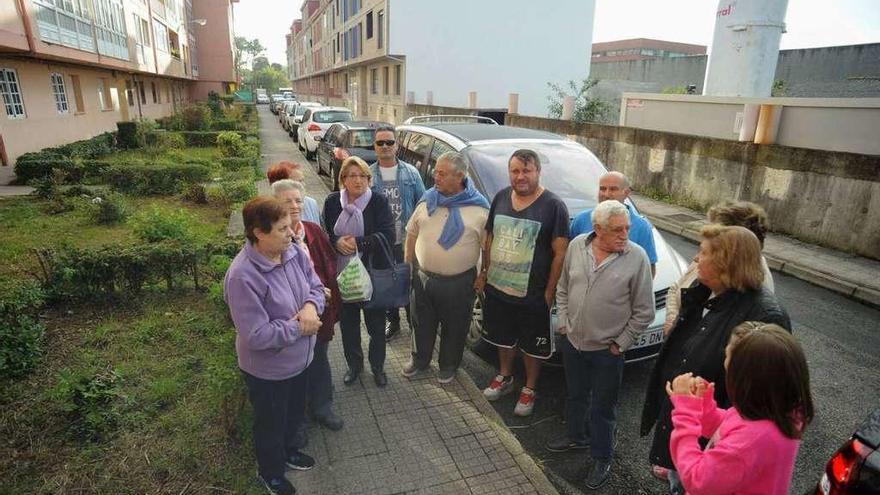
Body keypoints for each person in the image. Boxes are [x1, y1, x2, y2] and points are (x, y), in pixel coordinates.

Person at [640, 224, 791, 495]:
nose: (696, 258)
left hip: (711, 454)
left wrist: (688, 411)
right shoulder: (703, 290)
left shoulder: (765, 316)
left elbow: (754, 403)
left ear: (726, 263)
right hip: (694, 429)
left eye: (703, 252)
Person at [548, 200, 655, 490]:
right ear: (598, 229)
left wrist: (621, 343)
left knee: (603, 407)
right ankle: (575, 436)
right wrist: (564, 321)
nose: (625, 235)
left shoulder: (637, 257)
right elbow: (564, 286)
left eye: (627, 229)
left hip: (607, 351)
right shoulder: (578, 245)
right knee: (576, 395)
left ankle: (602, 456)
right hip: (573, 343)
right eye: (618, 230)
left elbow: (645, 310)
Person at [224, 197, 325, 495]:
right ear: (259, 232)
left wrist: (310, 307)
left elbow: (316, 286)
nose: (292, 233)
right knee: (270, 423)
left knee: (294, 414)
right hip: (268, 371)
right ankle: (271, 471)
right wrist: (299, 327)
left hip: (300, 360)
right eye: (282, 228)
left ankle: (290, 451)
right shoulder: (243, 276)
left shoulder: (292, 250)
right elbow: (256, 334)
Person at [475, 149, 570, 417]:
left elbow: (560, 252)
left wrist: (550, 291)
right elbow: (489, 236)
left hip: (533, 294)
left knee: (532, 345)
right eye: (515, 171)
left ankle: (529, 388)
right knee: (503, 339)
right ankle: (504, 377)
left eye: (526, 171)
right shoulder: (501, 197)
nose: (521, 176)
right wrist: (484, 273)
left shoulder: (554, 206)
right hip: (499, 288)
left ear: (538, 172)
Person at [667, 322, 813, 495]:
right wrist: (703, 404)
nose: (724, 361)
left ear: (745, 378)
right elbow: (725, 429)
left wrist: (685, 412)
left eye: (727, 358)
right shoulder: (775, 409)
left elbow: (697, 480)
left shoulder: (752, 440)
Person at [403, 151, 489, 383]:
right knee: (420, 322)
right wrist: (407, 265)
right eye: (436, 171)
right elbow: (411, 233)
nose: (435, 177)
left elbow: (487, 247)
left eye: (441, 173)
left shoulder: (480, 209)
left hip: (460, 282)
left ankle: (449, 366)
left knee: (456, 326)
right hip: (424, 277)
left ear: (459, 176)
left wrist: (484, 274)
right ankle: (419, 360)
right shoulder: (428, 199)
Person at [272, 180, 344, 431]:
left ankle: (322, 407)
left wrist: (328, 295)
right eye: (287, 201)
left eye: (298, 200)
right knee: (293, 369)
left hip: (318, 309)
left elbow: (329, 264)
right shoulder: (272, 239)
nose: (294, 206)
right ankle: (298, 419)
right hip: (289, 316)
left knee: (320, 359)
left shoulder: (313, 230)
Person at [323, 156, 395, 387]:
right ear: (343, 179)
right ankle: (354, 366)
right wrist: (335, 242)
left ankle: (377, 367)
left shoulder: (378, 202)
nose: (358, 180)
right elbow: (325, 233)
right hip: (343, 276)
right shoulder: (333, 202)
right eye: (352, 176)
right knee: (349, 326)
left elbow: (388, 235)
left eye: (362, 175)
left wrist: (359, 243)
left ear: (368, 179)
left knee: (376, 326)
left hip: (372, 275)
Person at [663, 200, 775, 336]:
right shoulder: (707, 262)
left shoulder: (757, 293)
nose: (697, 258)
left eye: (715, 232)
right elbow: (676, 288)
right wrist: (672, 318)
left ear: (734, 245)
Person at [369, 126, 426, 341]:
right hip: (382, 242)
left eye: (389, 142)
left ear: (397, 145)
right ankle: (393, 322)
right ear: (374, 147)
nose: (385, 146)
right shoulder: (368, 175)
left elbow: (423, 204)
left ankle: (415, 324)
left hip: (408, 241)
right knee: (387, 284)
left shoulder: (411, 172)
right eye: (380, 143)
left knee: (411, 283)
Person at [569, 171, 657, 276]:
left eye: (613, 189)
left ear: (627, 193)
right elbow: (569, 258)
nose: (606, 194)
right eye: (602, 189)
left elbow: (648, 270)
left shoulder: (641, 226)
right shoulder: (581, 220)